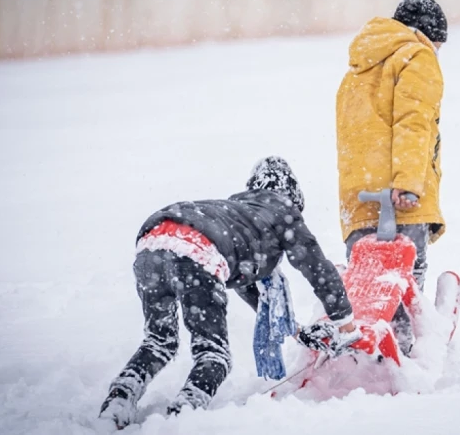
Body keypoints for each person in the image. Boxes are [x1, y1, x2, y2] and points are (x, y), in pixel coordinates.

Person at [99, 156, 359, 429]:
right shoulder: (283, 211)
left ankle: (120, 399)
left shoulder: (237, 215)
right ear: (293, 195)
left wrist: (297, 331)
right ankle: (184, 413)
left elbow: (252, 291)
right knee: (214, 355)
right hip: (196, 249)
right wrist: (346, 324)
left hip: (152, 242)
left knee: (158, 342)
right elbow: (318, 268)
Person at [335, 0, 448, 354]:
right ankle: (408, 351)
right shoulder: (417, 56)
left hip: (357, 198)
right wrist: (408, 183)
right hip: (400, 195)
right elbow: (413, 124)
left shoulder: (358, 67)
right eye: (439, 45)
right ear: (428, 35)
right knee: (405, 281)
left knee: (371, 288)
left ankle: (372, 351)